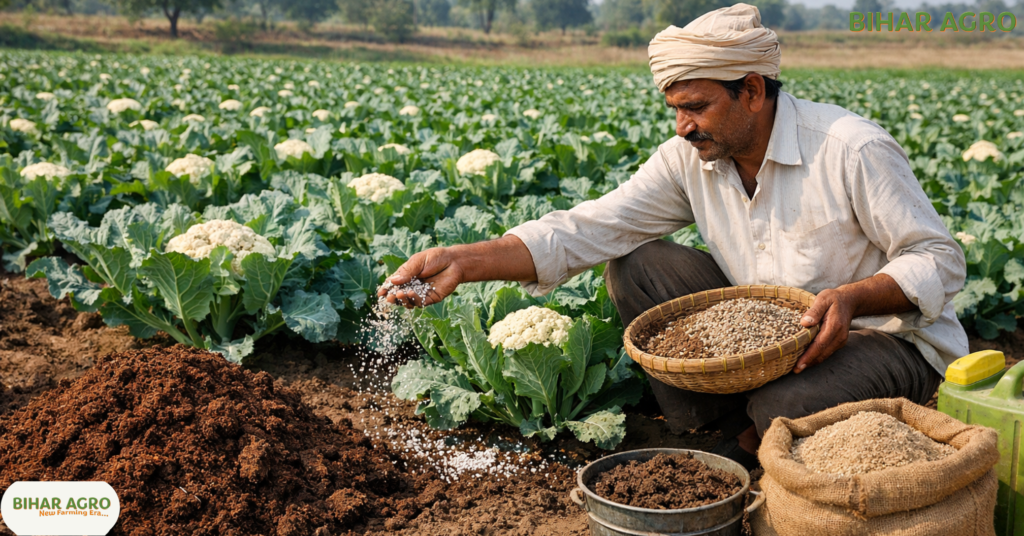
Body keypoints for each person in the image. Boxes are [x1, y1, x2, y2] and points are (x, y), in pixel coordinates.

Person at [379, 3, 968, 468]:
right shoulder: (691, 157)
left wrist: (852, 297)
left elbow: (939, 259)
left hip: (883, 339)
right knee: (636, 264)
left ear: (754, 91)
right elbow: (589, 227)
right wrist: (462, 260)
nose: (683, 127)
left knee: (782, 406)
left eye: (697, 107)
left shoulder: (849, 148)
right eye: (675, 110)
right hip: (763, 338)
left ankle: (757, 428)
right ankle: (713, 425)